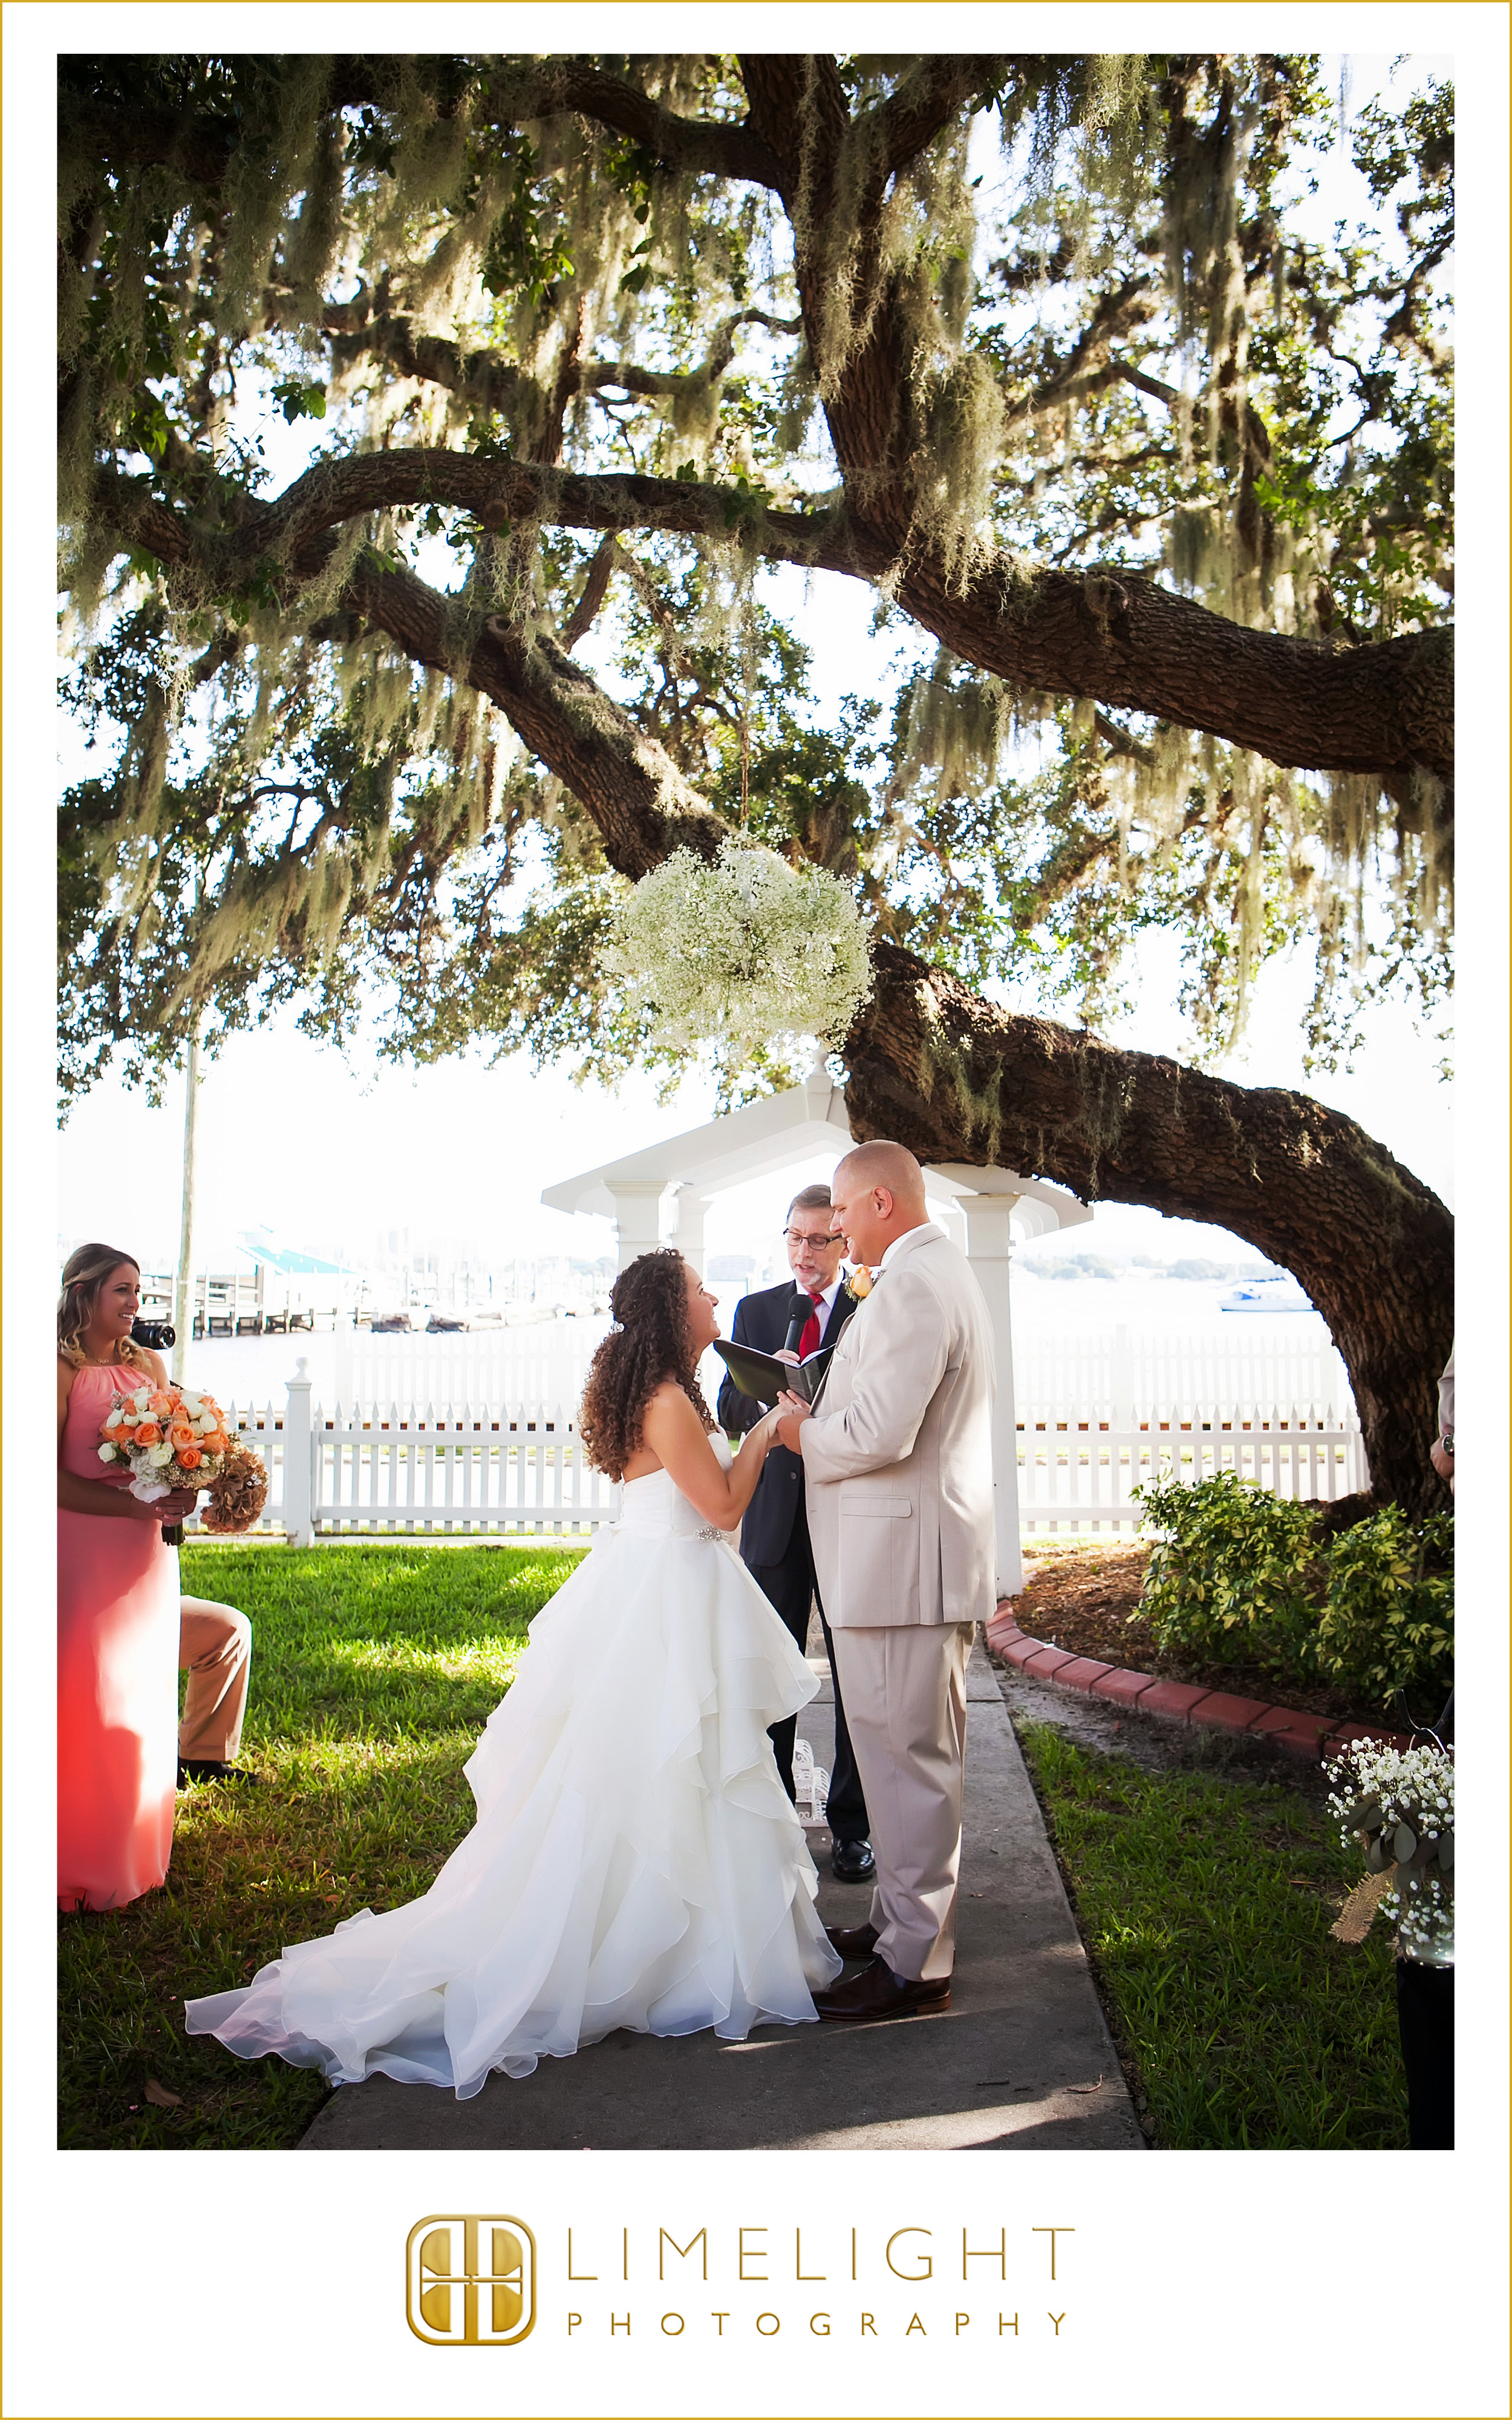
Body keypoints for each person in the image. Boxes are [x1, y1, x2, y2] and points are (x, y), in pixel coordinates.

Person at [186, 1250, 842, 2095]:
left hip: (653, 1585)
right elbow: (720, 1510)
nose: (716, 1297)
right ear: (677, 1313)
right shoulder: (670, 1400)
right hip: (665, 1595)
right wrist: (766, 1432)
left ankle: (688, 1938)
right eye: (700, 1290)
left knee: (676, 1767)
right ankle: (660, 1948)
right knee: (666, 1765)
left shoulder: (657, 1388)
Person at [776, 1141, 997, 2023]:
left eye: (837, 1208)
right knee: (899, 1757)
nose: (829, 1226)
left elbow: (878, 1434)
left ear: (876, 1203)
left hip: (905, 1569)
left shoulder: (912, 1282)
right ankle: (899, 1923)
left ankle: (917, 1965)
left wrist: (799, 1435)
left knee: (910, 1766)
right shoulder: (925, 1273)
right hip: (900, 1563)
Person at [716, 1183, 874, 1882]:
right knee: (772, 1676)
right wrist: (765, 1394)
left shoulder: (870, 1308)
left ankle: (852, 1829)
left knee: (856, 1681)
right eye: (793, 1237)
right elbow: (725, 1407)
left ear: (844, 1243)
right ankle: (776, 1821)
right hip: (774, 1520)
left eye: (818, 1239)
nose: (804, 1253)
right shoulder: (754, 1309)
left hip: (847, 1515)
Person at [57, 1244, 200, 1910]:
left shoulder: (149, 1364)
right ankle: (75, 1861)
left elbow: (179, 1450)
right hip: (82, 1544)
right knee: (88, 1691)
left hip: (148, 1553)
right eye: (122, 1290)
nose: (135, 1303)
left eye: (138, 1290)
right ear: (84, 1294)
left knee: (139, 1692)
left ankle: (138, 1851)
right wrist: (127, 1504)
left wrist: (185, 1491)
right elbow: (44, 1475)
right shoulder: (56, 1368)